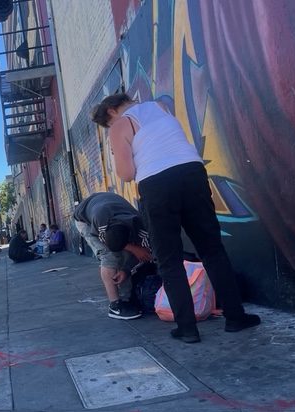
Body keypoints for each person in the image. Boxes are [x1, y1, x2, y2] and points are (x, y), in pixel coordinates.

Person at [91, 93, 260, 343]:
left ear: (111, 112)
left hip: (157, 185)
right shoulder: (161, 107)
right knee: (212, 250)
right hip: (192, 173)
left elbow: (126, 174)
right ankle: (236, 317)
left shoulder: (119, 125)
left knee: (169, 259)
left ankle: (187, 328)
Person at [74, 192, 152, 320]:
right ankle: (114, 306)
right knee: (110, 256)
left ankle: (126, 299)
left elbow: (142, 252)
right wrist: (133, 249)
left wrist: (126, 270)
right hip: (85, 220)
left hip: (110, 211)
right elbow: (110, 244)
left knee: (127, 254)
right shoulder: (100, 219)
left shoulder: (141, 227)